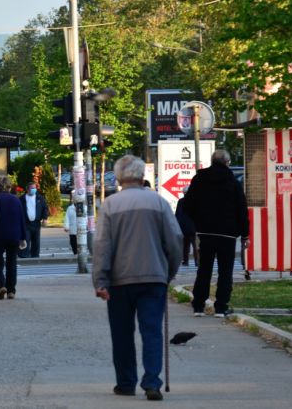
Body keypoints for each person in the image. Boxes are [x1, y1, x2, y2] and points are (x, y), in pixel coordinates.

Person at [92, 155, 182, 401]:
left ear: (119, 177)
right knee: (152, 331)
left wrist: (100, 280)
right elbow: (175, 240)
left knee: (122, 333)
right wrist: (169, 272)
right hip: (154, 278)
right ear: (143, 175)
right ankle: (152, 382)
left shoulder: (110, 205)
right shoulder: (159, 203)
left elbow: (101, 245)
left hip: (120, 281)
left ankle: (126, 383)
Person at [183, 150, 249, 317]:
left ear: (212, 161)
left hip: (206, 232)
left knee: (204, 269)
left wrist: (199, 221)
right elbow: (242, 209)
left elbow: (188, 204)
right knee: (225, 271)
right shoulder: (233, 182)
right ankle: (221, 307)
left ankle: (198, 305)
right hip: (227, 233)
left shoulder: (199, 179)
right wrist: (245, 234)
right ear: (227, 163)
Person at [19, 182, 49, 258]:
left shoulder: (39, 198)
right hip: (26, 223)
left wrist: (45, 218)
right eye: (32, 188)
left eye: (35, 188)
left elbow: (45, 208)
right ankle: (24, 255)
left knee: (36, 240)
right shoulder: (22, 199)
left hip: (36, 222)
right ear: (27, 189)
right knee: (26, 239)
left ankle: (35, 255)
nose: (34, 189)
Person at [175, 186, 198, 267]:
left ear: (183, 193)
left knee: (185, 245)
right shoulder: (195, 201)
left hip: (184, 226)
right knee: (195, 245)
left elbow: (177, 214)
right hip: (193, 226)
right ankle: (197, 261)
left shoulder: (181, 201)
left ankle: (186, 261)